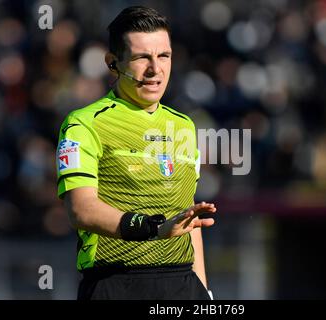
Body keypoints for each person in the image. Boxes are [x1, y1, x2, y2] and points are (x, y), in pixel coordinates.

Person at [55, 6, 216, 300]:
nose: (155, 69)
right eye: (142, 57)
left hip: (183, 285)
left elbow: (188, 217)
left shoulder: (184, 125)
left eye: (164, 56)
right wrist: (153, 228)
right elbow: (81, 209)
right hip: (115, 284)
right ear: (112, 63)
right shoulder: (83, 124)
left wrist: (204, 291)